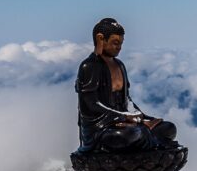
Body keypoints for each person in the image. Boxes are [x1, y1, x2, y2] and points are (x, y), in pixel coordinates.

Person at [75, 17, 177, 153]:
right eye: (115, 43)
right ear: (100, 39)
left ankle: (148, 139)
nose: (119, 47)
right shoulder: (89, 66)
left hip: (126, 123)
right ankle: (151, 143)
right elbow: (90, 105)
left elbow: (127, 100)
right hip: (102, 129)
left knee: (168, 128)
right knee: (126, 135)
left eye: (121, 43)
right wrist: (122, 117)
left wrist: (140, 116)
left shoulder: (119, 65)